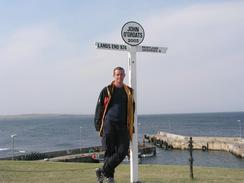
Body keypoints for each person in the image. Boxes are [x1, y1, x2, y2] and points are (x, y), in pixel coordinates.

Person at [94, 66, 135, 183]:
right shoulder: (106, 90)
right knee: (109, 151)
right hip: (109, 124)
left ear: (124, 76)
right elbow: (99, 107)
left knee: (123, 151)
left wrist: (131, 126)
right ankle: (110, 178)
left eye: (121, 74)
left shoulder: (129, 92)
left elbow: (132, 110)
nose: (119, 77)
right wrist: (98, 124)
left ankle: (102, 171)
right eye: (117, 74)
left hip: (123, 126)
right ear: (114, 76)